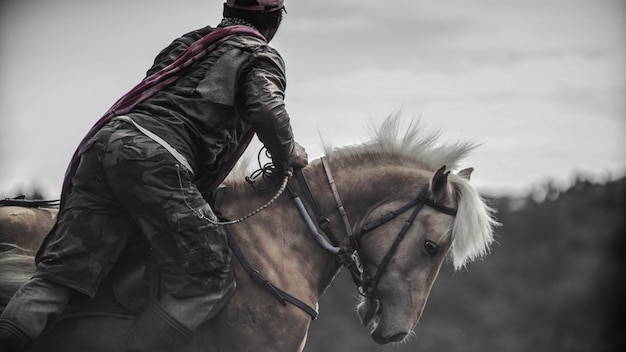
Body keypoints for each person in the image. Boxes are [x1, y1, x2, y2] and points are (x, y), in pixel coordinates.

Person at [0, 0, 307, 351]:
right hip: (158, 159)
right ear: (274, 21)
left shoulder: (189, 43)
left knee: (58, 277)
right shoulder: (260, 55)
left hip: (106, 144)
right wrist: (288, 152)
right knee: (208, 279)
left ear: (226, 9)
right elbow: (266, 109)